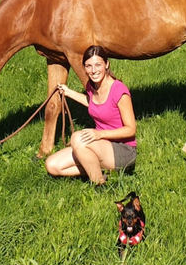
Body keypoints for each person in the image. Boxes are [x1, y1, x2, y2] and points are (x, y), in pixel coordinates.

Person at [45, 45, 137, 185]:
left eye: (98, 65)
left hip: (123, 150)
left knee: (78, 138)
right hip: (99, 146)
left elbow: (131, 129)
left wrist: (99, 134)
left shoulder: (119, 90)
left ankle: (99, 184)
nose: (93, 71)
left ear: (107, 64)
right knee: (52, 165)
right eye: (88, 66)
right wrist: (68, 92)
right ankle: (100, 170)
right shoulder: (91, 86)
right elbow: (93, 104)